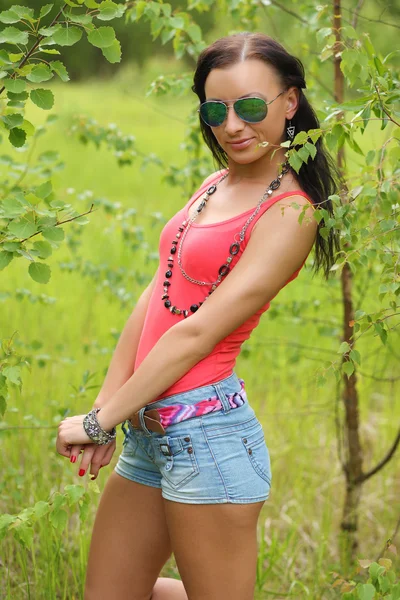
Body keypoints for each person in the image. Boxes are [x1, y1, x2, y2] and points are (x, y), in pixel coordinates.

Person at [56, 32, 340, 600]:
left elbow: (198, 332)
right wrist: (106, 410)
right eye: (216, 110)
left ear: (290, 102)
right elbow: (155, 294)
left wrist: (99, 421)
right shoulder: (215, 186)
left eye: (252, 107)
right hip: (147, 432)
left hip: (207, 439)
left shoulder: (291, 214)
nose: (233, 125)